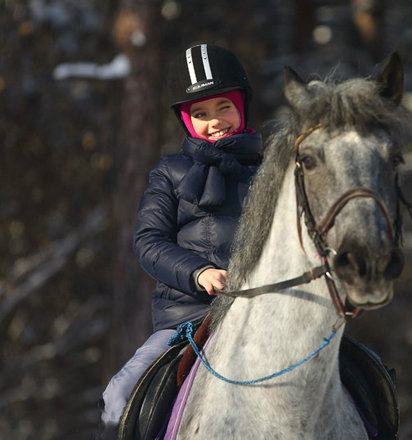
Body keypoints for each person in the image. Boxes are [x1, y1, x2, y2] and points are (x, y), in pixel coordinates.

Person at [98, 43, 262, 439]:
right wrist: (200, 271)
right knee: (118, 396)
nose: (215, 121)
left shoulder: (272, 169)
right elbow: (149, 241)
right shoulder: (169, 171)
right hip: (187, 318)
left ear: (241, 105)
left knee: (365, 373)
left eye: (224, 106)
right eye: (200, 114)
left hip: (265, 311)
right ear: (187, 121)